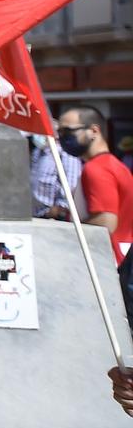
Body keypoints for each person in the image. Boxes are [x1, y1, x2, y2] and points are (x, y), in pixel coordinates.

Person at [64, 105, 133, 324]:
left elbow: (105, 221)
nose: (62, 138)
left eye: (68, 132)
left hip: (108, 268)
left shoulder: (97, 169)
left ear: (94, 130)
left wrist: (64, 231)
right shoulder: (115, 165)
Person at [31, 127, 86, 221]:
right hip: (35, 216)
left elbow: (71, 187)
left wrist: (57, 211)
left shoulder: (65, 155)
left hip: (52, 218)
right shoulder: (38, 152)